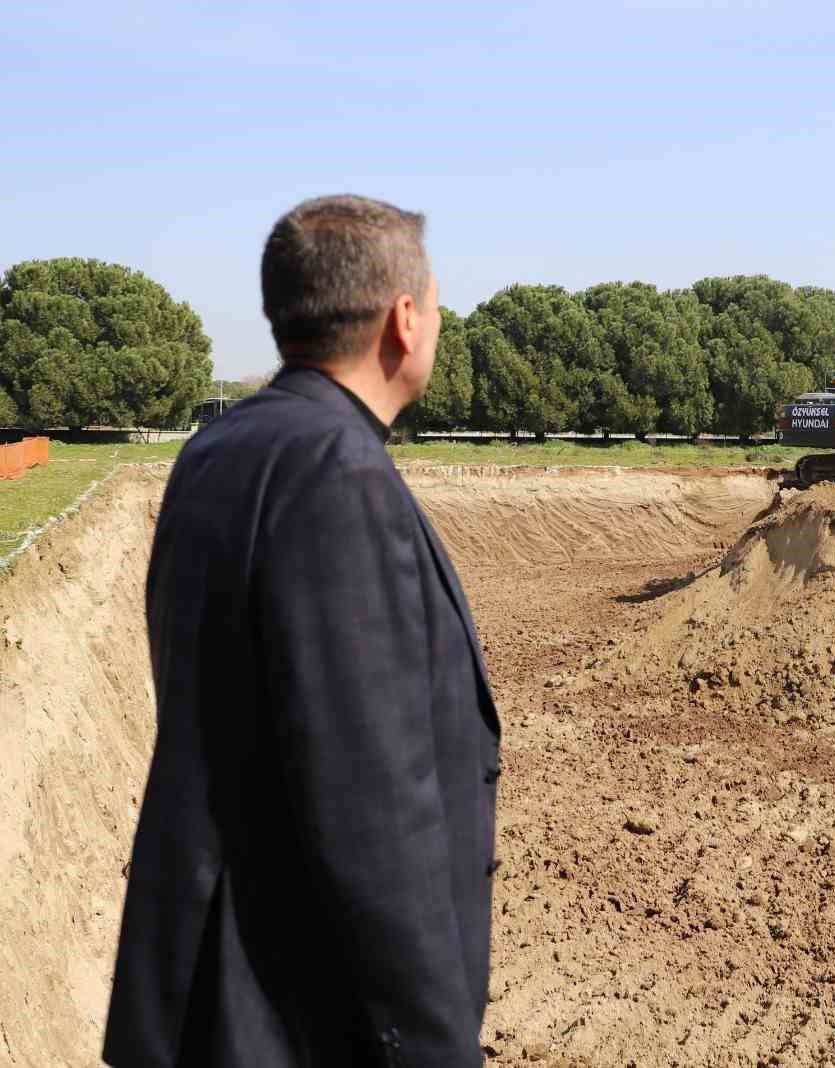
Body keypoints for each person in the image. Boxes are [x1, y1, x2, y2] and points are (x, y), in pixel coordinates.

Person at [103, 195, 501, 1067]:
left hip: (211, 996)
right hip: (292, 1014)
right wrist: (432, 1046)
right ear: (403, 321)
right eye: (433, 304)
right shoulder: (337, 472)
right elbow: (370, 802)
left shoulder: (219, 449)